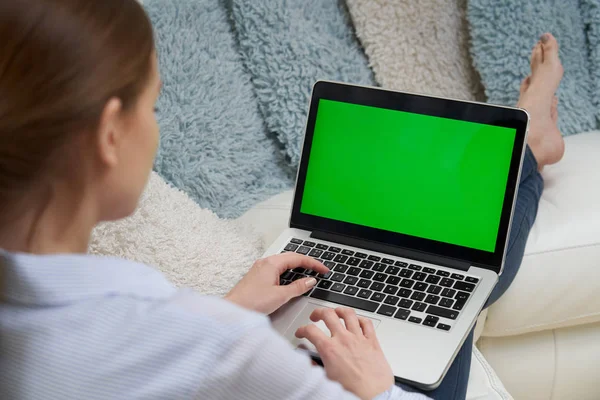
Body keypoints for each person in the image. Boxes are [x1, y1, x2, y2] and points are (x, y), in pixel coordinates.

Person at [0, 0, 564, 399]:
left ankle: (528, 152)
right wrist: (374, 387)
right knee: (462, 272)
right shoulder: (212, 345)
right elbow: (181, 353)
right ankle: (530, 149)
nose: (156, 128)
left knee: (457, 267)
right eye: (152, 106)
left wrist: (228, 308)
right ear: (109, 135)